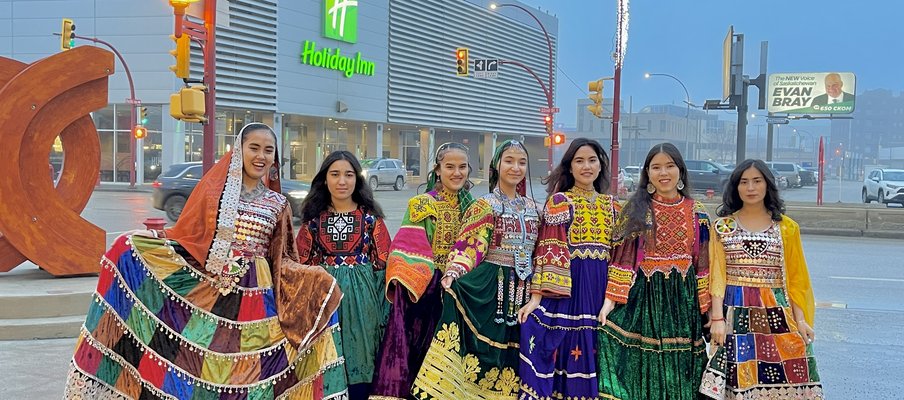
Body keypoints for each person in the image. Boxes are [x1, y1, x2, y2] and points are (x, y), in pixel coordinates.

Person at [64, 123, 348, 399]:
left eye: (268, 150)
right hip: (212, 287)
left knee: (249, 371)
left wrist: (315, 280)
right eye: (254, 148)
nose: (261, 156)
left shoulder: (278, 203)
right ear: (239, 150)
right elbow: (189, 237)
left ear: (275, 158)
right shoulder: (215, 192)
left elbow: (282, 258)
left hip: (257, 297)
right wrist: (148, 240)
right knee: (206, 365)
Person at [411, 140, 540, 399]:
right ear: (496, 166)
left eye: (522, 162)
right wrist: (454, 272)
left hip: (526, 291)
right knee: (486, 352)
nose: (516, 167)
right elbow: (471, 244)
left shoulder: (535, 209)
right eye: (509, 161)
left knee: (517, 351)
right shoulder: (485, 205)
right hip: (492, 287)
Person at [699, 159, 824, 399]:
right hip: (735, 314)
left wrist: (801, 320)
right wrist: (716, 318)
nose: (751, 188)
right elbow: (717, 276)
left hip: (777, 314)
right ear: (735, 187)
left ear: (768, 185)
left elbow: (796, 280)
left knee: (785, 381)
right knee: (738, 384)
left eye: (757, 181)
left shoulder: (787, 228)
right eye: (744, 182)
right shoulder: (722, 227)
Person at [597, 142, 711, 400]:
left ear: (680, 171)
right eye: (656, 167)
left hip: (682, 304)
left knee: (679, 371)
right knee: (633, 365)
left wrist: (710, 313)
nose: (664, 173)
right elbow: (622, 260)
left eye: (670, 166)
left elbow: (703, 267)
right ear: (647, 174)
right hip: (643, 300)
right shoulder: (636, 210)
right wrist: (609, 302)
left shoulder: (698, 213)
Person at [370, 143, 475, 400]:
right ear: (438, 170)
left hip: (464, 295)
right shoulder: (422, 205)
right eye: (449, 167)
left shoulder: (474, 207)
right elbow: (407, 248)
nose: (456, 173)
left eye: (462, 167)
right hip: (428, 296)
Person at [518, 138, 621, 399]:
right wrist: (536, 299)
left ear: (600, 166)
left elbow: (622, 256)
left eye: (592, 160)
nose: (586, 166)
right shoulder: (560, 202)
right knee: (563, 348)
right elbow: (548, 250)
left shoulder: (614, 206)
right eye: (579, 161)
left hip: (602, 290)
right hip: (569, 290)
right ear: (570, 167)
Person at [296, 150, 392, 399]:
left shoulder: (371, 220)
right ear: (324, 179)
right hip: (325, 304)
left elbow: (384, 266)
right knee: (327, 360)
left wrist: (383, 315)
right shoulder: (313, 222)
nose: (342, 181)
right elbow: (300, 265)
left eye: (349, 174)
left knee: (361, 361)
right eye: (335, 174)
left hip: (364, 306)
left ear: (357, 180)